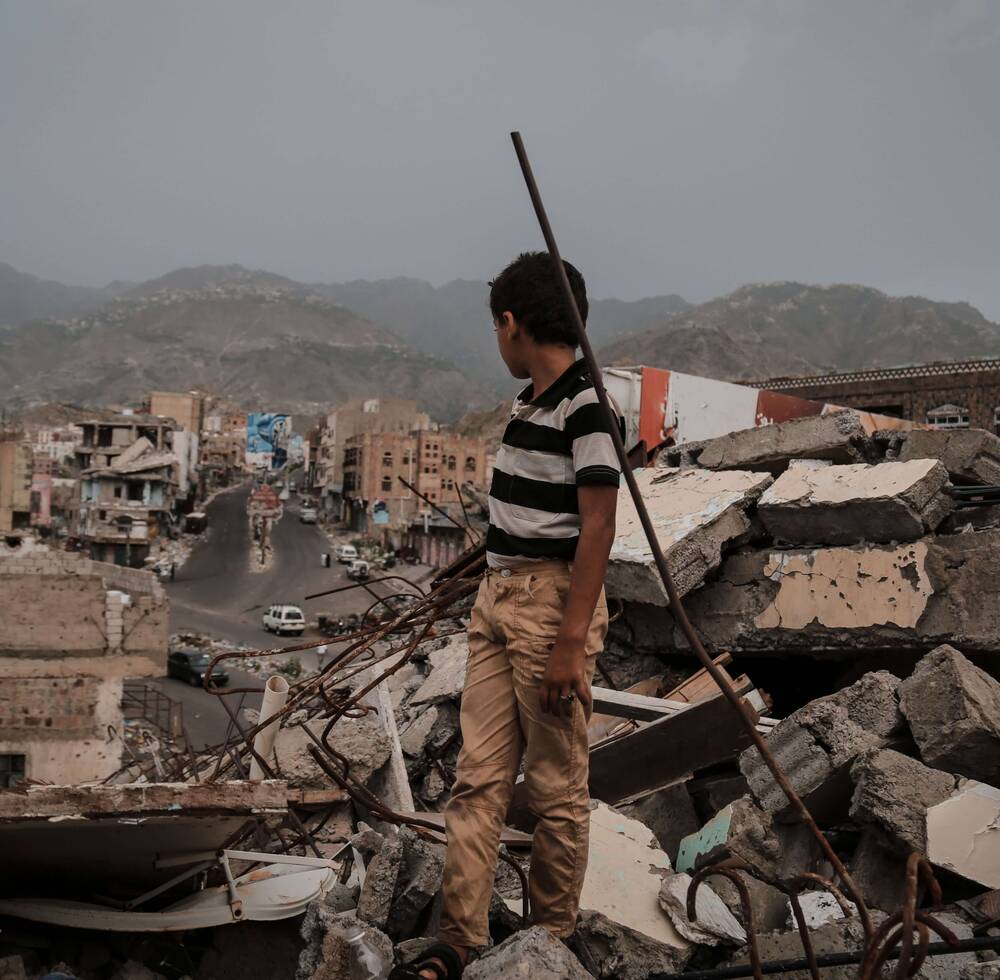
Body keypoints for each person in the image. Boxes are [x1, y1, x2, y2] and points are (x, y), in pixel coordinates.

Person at [394, 253, 623, 980]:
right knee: (478, 779)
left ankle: (547, 943)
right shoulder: (532, 401)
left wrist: (568, 644)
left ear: (513, 324)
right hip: (498, 600)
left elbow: (598, 528)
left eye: (497, 328)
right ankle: (458, 940)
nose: (497, 342)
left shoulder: (589, 406)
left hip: (551, 608)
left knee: (555, 788)